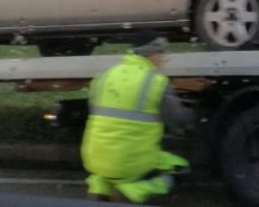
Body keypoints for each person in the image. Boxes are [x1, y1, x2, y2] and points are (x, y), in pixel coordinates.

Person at [81, 30, 191, 203]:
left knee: (108, 171)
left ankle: (98, 187)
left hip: (95, 159)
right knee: (179, 169)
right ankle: (132, 192)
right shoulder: (156, 81)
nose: (163, 58)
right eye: (162, 53)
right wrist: (192, 117)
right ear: (152, 53)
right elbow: (177, 119)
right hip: (131, 163)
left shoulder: (105, 76)